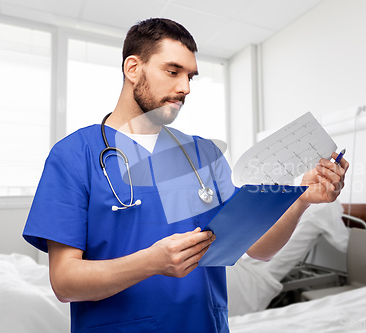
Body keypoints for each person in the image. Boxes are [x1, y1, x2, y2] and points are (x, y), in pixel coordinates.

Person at [22, 18, 348, 333]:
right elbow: (64, 282)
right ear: (133, 68)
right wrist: (152, 262)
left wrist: (301, 199)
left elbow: (259, 249)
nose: (185, 88)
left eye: (190, 76)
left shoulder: (203, 155)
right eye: (173, 71)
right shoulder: (74, 156)